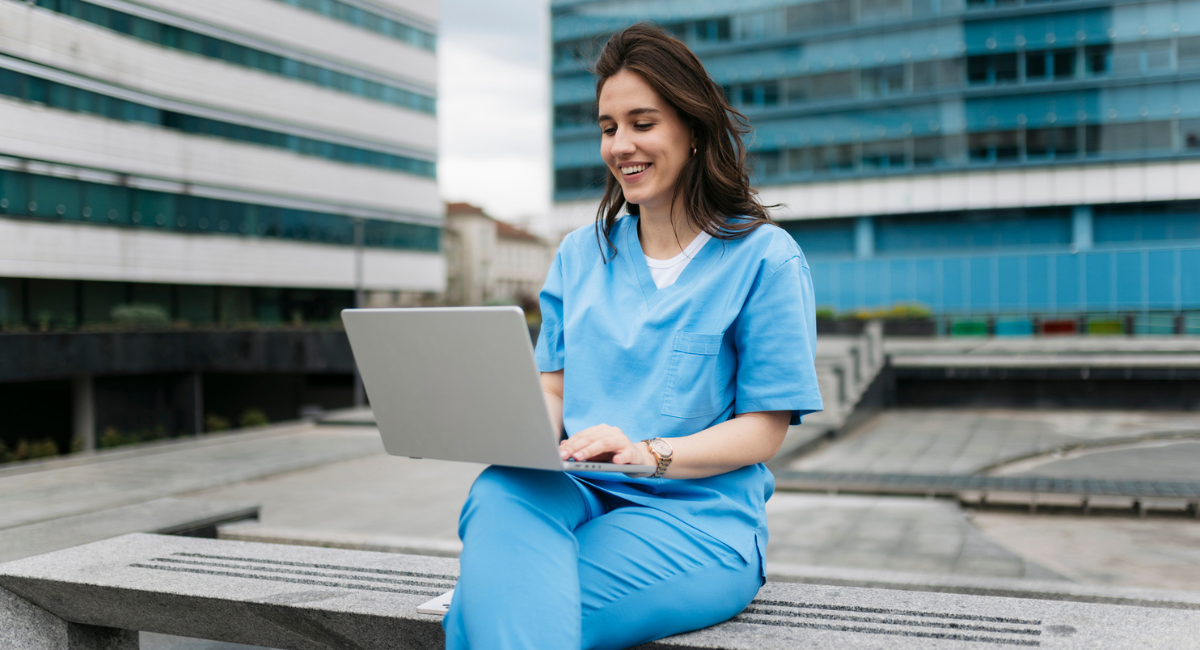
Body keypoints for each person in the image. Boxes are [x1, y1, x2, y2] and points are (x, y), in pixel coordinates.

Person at [442, 22, 822, 650]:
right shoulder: (577, 255)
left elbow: (765, 430)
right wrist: (514, 429)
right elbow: (553, 390)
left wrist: (648, 453)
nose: (621, 145)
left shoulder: (767, 260)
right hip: (578, 487)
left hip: (696, 519)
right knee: (500, 486)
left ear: (693, 130)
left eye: (642, 123)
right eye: (608, 127)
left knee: (491, 620)